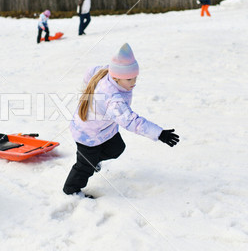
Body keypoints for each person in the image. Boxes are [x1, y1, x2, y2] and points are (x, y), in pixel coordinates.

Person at [63, 43, 180, 198]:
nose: (134, 82)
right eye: (129, 79)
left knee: (117, 148)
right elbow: (132, 122)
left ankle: (94, 161)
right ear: (117, 79)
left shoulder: (105, 71)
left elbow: (89, 71)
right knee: (84, 166)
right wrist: (159, 134)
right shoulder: (113, 99)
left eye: (135, 77)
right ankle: (71, 190)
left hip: (103, 130)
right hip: (87, 135)